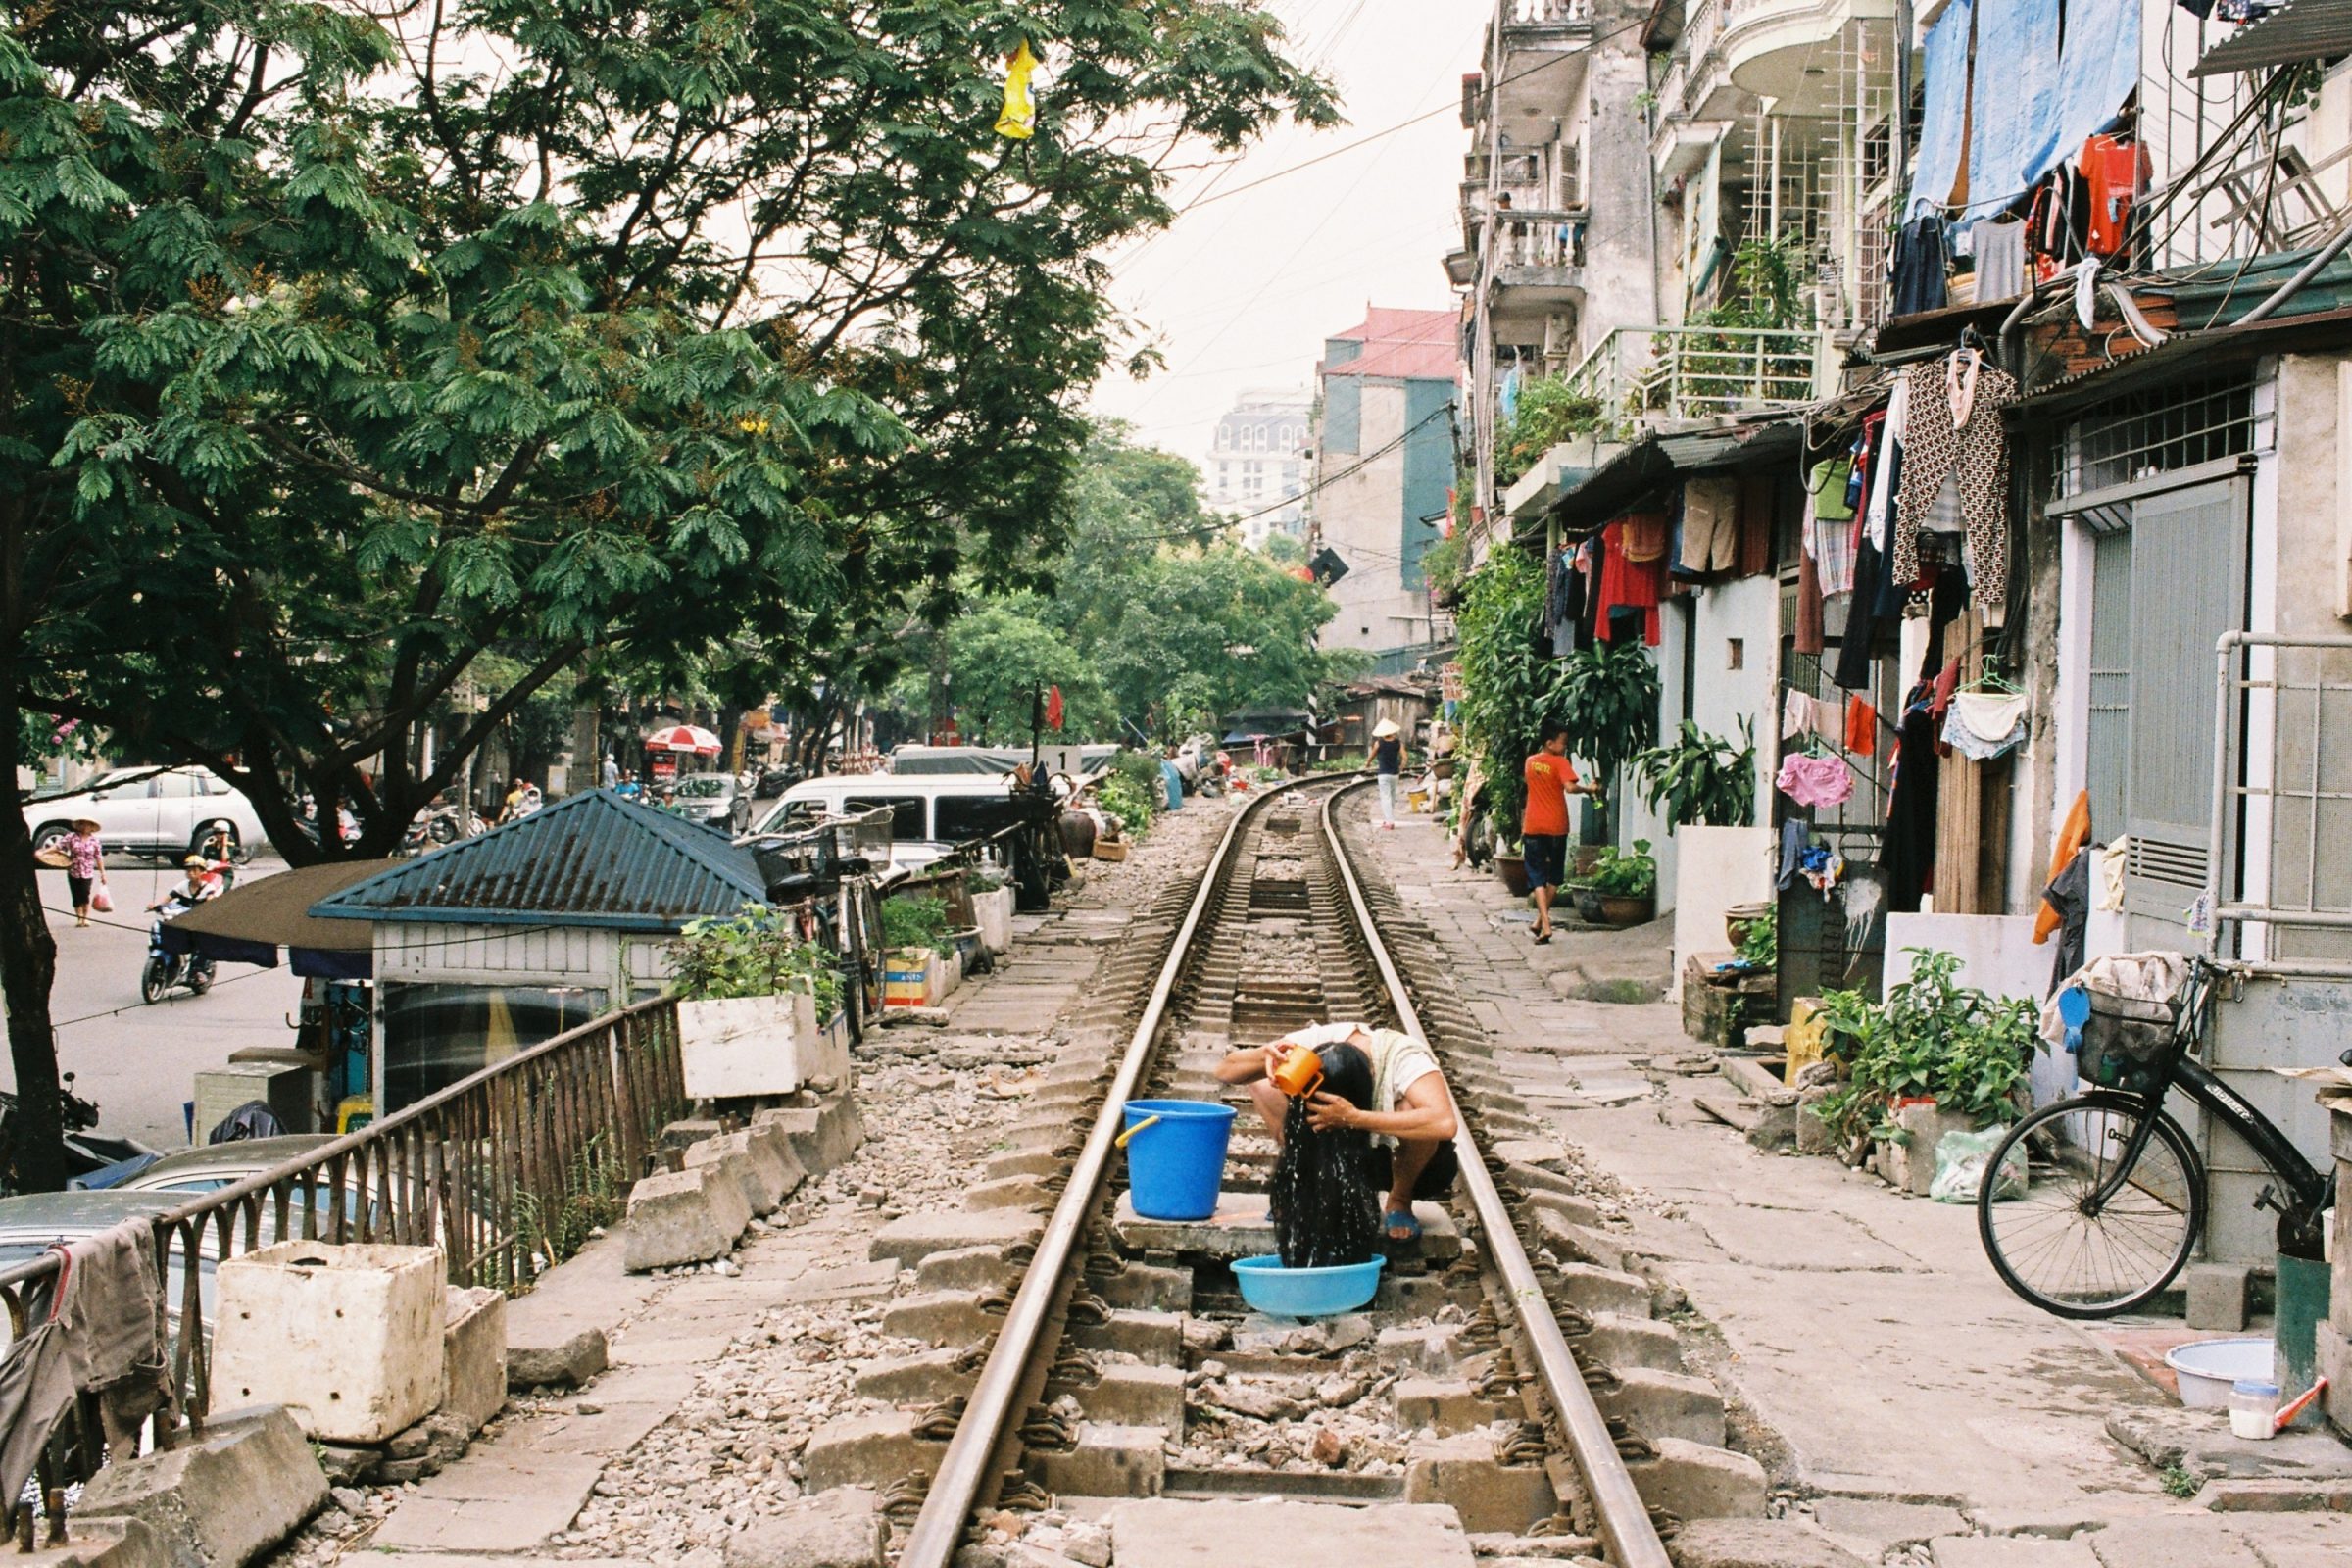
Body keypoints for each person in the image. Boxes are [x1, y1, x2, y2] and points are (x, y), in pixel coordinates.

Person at [1217, 1020, 1459, 1244]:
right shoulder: (1311, 1045)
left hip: (1392, 1158)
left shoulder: (1405, 1060)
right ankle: (1303, 1189)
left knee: (1414, 1111)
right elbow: (1225, 1071)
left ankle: (1400, 1200)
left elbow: (1444, 1123)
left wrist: (1355, 1118)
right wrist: (1263, 1055)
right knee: (1263, 1083)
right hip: (1328, 1138)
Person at [1524, 719, 1600, 945]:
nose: (1566, 746)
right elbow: (1570, 787)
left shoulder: (1530, 762)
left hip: (1534, 824)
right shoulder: (1560, 762)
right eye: (1563, 742)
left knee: (1537, 876)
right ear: (1550, 743)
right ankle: (1545, 924)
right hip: (1557, 825)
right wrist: (1590, 788)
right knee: (1554, 876)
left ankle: (1541, 922)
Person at [62, 817, 105, 928]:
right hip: (73, 870)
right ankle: (79, 917)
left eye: (88, 825)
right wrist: (44, 852)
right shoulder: (71, 837)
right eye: (83, 825)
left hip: (88, 871)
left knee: (85, 894)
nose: (85, 827)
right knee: (76, 896)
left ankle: (85, 918)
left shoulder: (95, 841)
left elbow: (98, 857)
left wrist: (103, 873)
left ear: (91, 828)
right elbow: (58, 846)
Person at [1369, 719, 1406, 829]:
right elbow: (1405, 757)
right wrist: (1401, 767)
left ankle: (1389, 822)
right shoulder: (1398, 743)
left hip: (1383, 774)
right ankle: (1387, 819)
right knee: (1392, 796)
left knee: (1385, 797)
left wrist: (1367, 764)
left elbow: (1372, 755)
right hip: (1395, 774)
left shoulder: (1378, 743)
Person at [197, 822, 237, 894]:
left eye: (221, 833)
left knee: (221, 889)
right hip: (211, 873)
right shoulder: (209, 846)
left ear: (226, 834)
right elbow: (203, 861)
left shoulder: (230, 846)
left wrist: (224, 845)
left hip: (225, 874)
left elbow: (225, 859)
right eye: (216, 833)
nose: (218, 835)